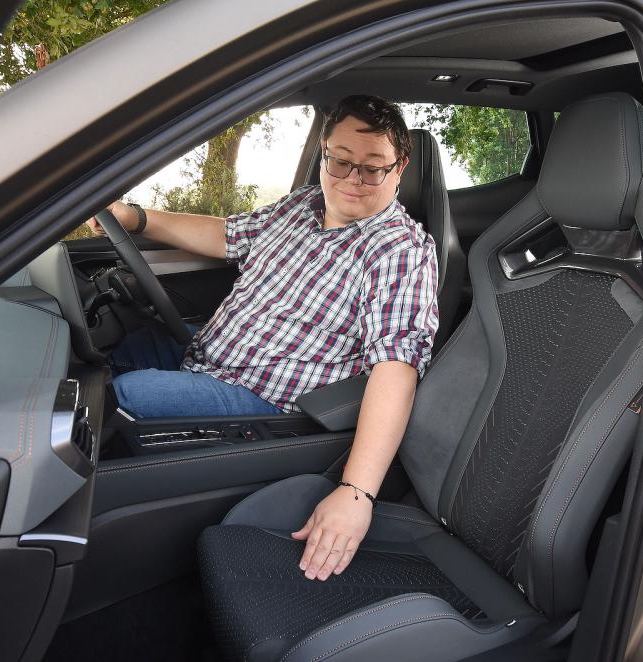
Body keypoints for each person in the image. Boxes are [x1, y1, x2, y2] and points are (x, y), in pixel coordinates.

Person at [88, 95, 439, 581]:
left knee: (117, 396)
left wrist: (357, 494)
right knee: (102, 352)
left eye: (372, 168)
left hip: (262, 401)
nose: (352, 180)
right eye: (340, 161)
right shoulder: (304, 204)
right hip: (206, 352)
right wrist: (136, 218)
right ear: (323, 152)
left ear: (399, 168)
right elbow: (228, 235)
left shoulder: (399, 251)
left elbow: (396, 369)